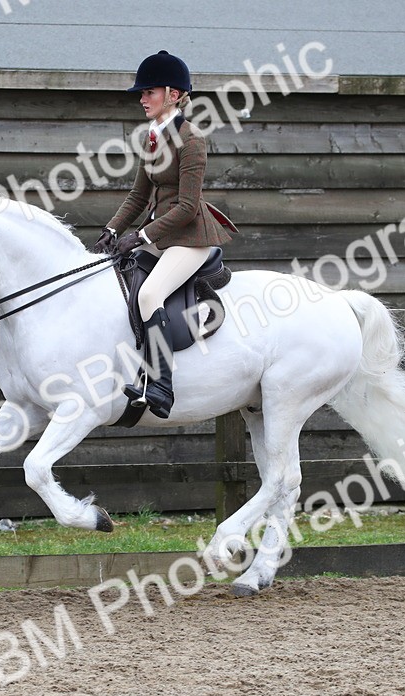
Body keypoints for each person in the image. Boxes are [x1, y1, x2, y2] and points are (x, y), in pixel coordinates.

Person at [90, 50, 236, 420]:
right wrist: (112, 229)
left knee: (152, 292)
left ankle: (160, 385)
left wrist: (140, 236)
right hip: (161, 235)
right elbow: (139, 196)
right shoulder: (151, 138)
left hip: (191, 238)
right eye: (141, 94)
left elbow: (187, 207)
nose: (141, 99)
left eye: (148, 92)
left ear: (173, 94)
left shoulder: (192, 141)